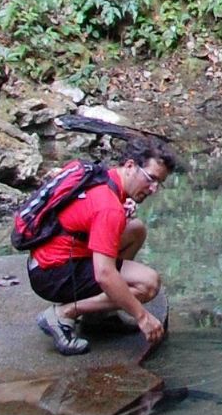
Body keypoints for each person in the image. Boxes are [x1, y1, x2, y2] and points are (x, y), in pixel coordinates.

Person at [28, 138, 178, 355]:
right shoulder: (108, 207)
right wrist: (142, 317)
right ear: (129, 166)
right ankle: (62, 314)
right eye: (150, 178)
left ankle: (98, 316)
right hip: (53, 274)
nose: (153, 188)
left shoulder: (102, 176)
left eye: (159, 183)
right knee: (148, 284)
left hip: (46, 259)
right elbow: (104, 274)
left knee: (135, 230)